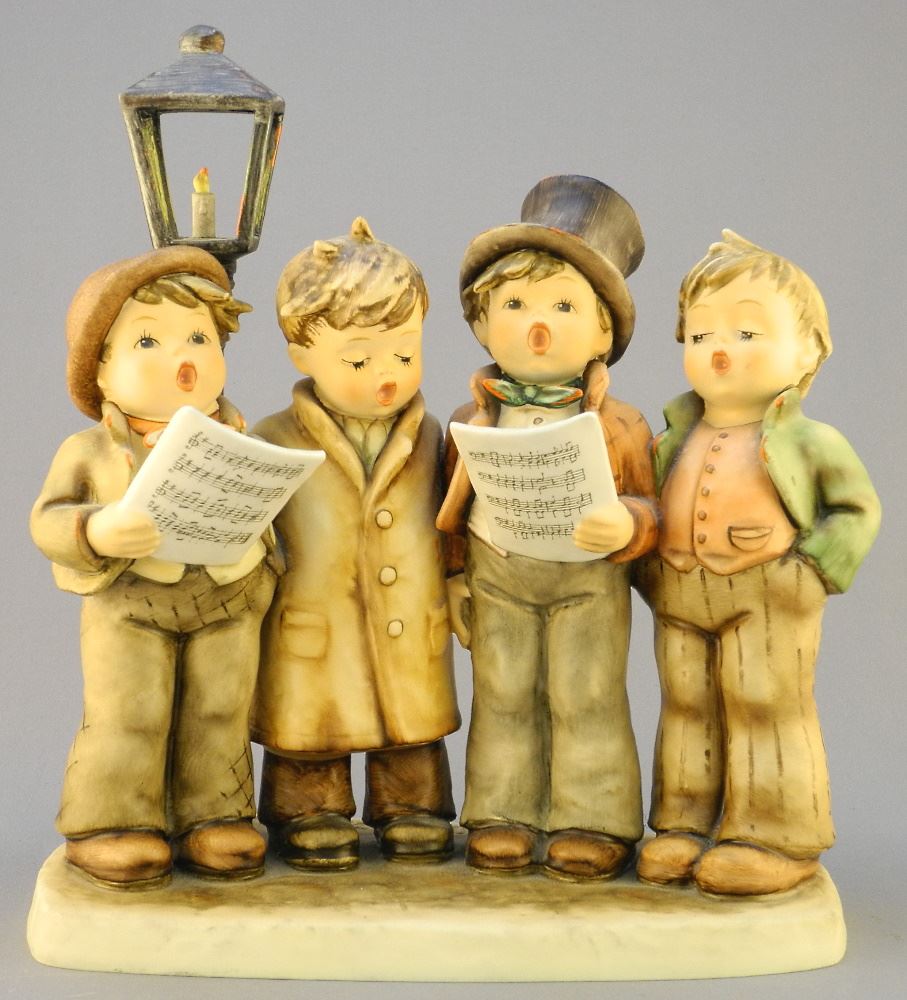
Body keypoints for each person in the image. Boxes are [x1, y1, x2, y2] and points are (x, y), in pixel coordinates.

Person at [635, 230, 881, 895]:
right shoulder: (672, 435)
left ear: (808, 350)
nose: (719, 349)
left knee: (763, 704)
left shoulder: (810, 440)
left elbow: (856, 510)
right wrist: (646, 563)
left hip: (767, 594)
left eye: (747, 333)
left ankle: (773, 834)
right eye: (699, 335)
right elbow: (646, 501)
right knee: (685, 706)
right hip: (678, 589)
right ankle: (684, 822)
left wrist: (810, 570)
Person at [31, 247, 279, 889]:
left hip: (228, 597)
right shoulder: (90, 450)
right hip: (131, 605)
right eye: (148, 341)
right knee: (130, 711)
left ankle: (215, 815)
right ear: (101, 369)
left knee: (219, 711)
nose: (182, 358)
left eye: (199, 337)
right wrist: (97, 528)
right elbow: (48, 519)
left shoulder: (241, 438)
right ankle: (112, 821)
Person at [437, 175, 657, 880]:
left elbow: (652, 507)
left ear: (602, 332)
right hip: (498, 575)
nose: (539, 324)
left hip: (586, 583)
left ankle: (593, 817)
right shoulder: (472, 418)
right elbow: (449, 504)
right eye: (514, 304)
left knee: (585, 694)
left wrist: (627, 524)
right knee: (502, 692)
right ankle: (502, 812)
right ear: (481, 321)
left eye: (564, 306)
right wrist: (452, 578)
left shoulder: (620, 424)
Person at [251, 218, 460, 870]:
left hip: (412, 622)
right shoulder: (272, 440)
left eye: (404, 353)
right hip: (315, 625)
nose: (386, 375)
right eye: (359, 360)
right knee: (314, 724)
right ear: (301, 353)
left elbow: (457, 523)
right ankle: (308, 809)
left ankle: (411, 804)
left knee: (409, 724)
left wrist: (461, 583)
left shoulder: (436, 436)